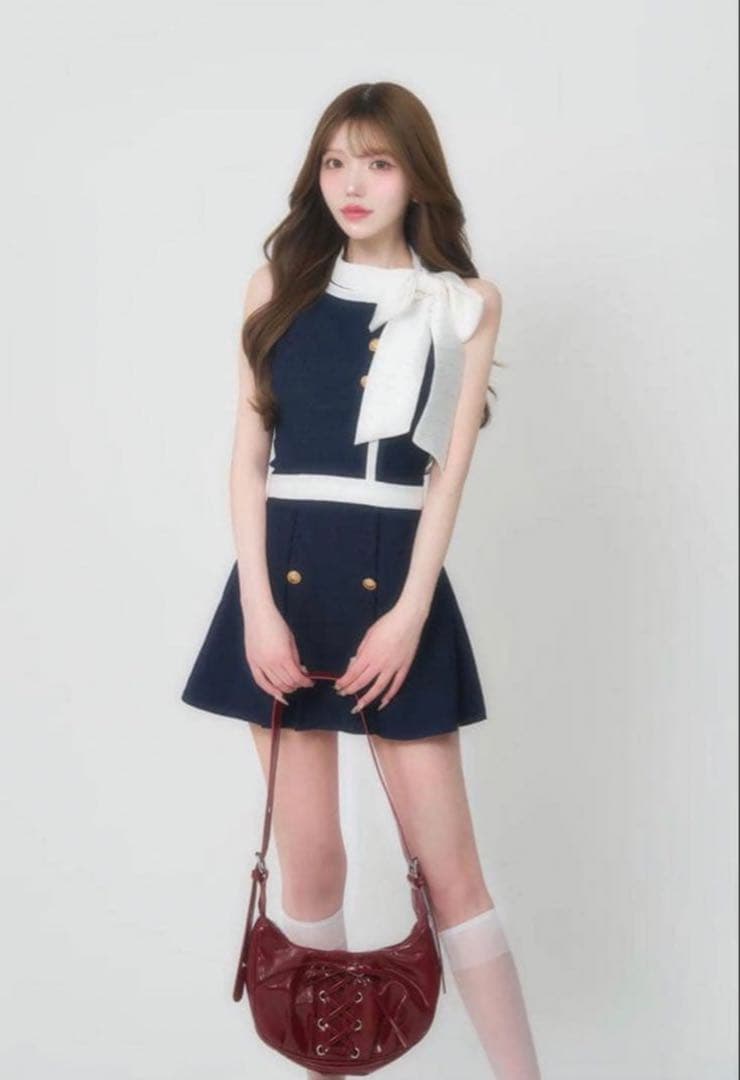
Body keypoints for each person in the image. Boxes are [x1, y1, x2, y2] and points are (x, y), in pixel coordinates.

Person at [181, 81, 541, 1079]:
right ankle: (326, 1065)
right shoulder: (276, 287)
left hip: (395, 590)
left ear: (414, 175)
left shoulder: (464, 304)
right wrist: (257, 610)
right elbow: (247, 461)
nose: (352, 183)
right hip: (282, 592)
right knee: (313, 863)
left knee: (453, 877)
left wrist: (410, 615)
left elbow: (447, 477)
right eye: (335, 162)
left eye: (377, 162)